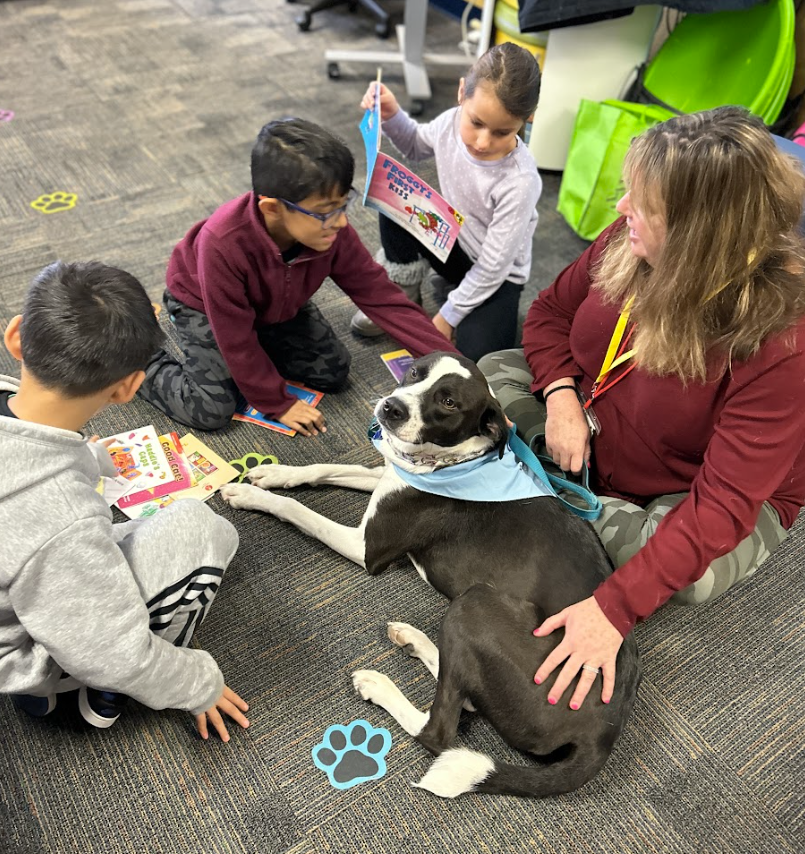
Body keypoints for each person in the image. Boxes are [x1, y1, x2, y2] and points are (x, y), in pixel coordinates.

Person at [479, 106, 805, 711]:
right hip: (593, 411)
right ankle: (563, 493)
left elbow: (723, 505)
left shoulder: (780, 343)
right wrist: (560, 396)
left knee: (696, 574)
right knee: (492, 370)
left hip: (689, 482)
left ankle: (539, 486)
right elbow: (549, 314)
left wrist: (613, 608)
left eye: (643, 204)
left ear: (697, 237)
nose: (622, 208)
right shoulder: (627, 245)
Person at [1, 261, 249, 742]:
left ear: (15, 336)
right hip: (27, 646)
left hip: (15, 594)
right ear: (129, 388)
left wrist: (84, 457)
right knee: (205, 529)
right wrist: (201, 683)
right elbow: (114, 652)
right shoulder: (60, 520)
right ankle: (82, 692)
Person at [137, 117, 456, 435]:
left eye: (344, 205)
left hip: (277, 303)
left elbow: (382, 298)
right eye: (327, 211)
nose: (342, 223)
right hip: (202, 304)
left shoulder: (328, 230)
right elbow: (234, 336)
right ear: (272, 209)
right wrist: (277, 401)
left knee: (333, 371)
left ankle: (255, 352)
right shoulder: (221, 244)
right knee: (212, 408)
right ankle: (142, 358)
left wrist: (451, 365)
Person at [350, 43, 543, 363]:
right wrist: (392, 114)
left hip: (497, 275)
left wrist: (448, 316)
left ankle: (452, 295)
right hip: (452, 240)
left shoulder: (520, 180)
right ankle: (404, 286)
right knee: (395, 199)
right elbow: (414, 145)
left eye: (502, 132)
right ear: (461, 93)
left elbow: (494, 267)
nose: (483, 142)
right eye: (477, 123)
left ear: (528, 118)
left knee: (477, 358)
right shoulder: (451, 122)